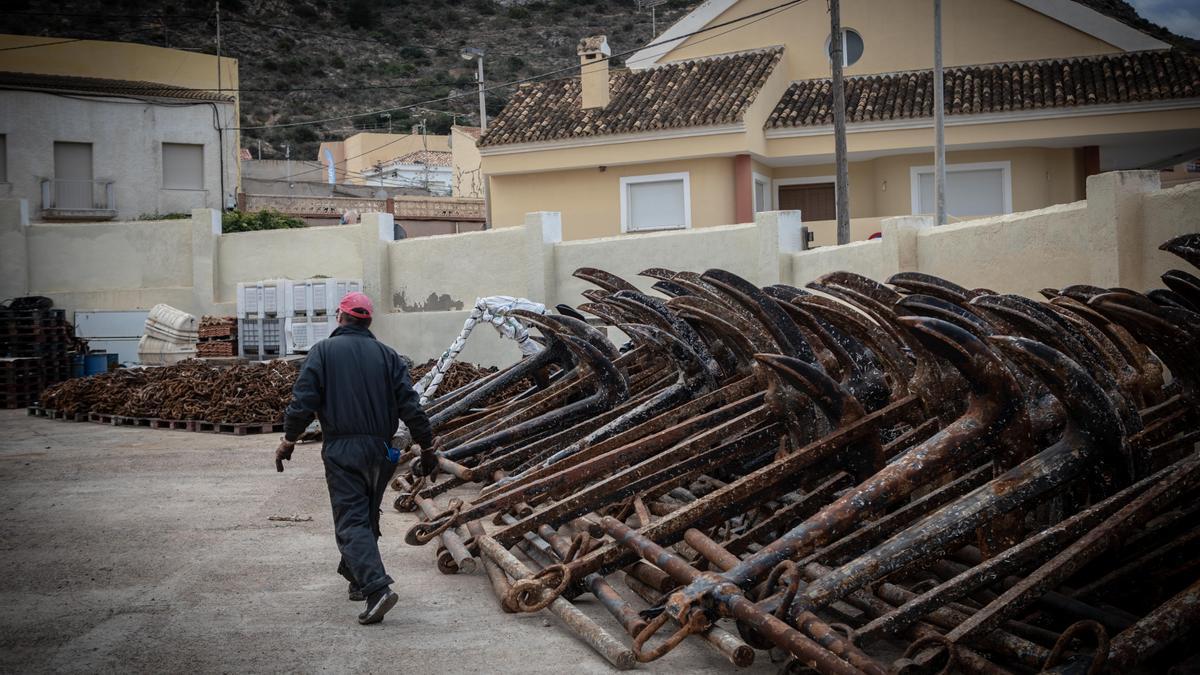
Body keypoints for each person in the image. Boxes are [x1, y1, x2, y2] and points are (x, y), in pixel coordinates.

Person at [274, 291, 442, 625]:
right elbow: (411, 405)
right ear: (368, 321)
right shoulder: (388, 355)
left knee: (351, 521)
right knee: (365, 514)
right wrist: (427, 447)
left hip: (342, 450)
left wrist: (289, 440)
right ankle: (355, 577)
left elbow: (303, 401)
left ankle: (376, 589)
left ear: (340, 317)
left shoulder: (322, 352)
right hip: (383, 451)